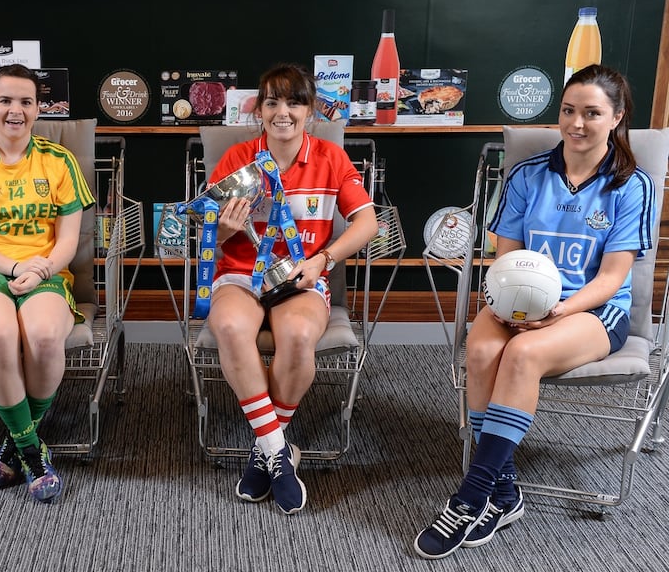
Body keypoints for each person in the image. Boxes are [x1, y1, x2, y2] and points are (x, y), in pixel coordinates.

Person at [413, 64, 657, 559]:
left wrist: (559, 309)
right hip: (518, 299)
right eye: (569, 111)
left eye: (592, 113)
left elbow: (612, 280)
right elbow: (506, 256)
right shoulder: (528, 175)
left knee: (521, 356)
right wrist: (508, 301)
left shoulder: (632, 186)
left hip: (592, 311)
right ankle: (506, 493)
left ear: (617, 117)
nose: (577, 123)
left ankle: (472, 495)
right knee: (481, 349)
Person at [206, 63, 378, 514]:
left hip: (301, 275)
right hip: (242, 274)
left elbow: (368, 222)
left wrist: (324, 259)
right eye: (272, 102)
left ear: (310, 110)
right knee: (228, 325)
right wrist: (224, 229)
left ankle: (265, 451)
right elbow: (206, 239)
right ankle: (278, 449)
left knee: (299, 336)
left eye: (294, 102)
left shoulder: (330, 157)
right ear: (259, 110)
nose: (283, 112)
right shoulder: (237, 160)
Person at [0, 64, 95, 504]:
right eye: (5, 100)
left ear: (38, 108)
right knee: (0, 334)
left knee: (45, 336)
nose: (15, 110)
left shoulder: (58, 160)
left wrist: (40, 270)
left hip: (44, 271)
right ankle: (32, 452)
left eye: (26, 101)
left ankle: (13, 443)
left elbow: (69, 239)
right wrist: (12, 267)